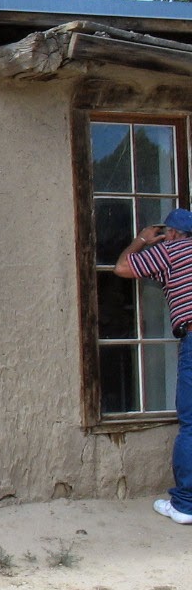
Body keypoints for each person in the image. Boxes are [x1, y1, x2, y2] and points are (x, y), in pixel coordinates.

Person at [114, 207, 192, 525]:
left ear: (171, 233)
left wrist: (141, 240)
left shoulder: (169, 250)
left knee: (191, 424)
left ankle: (186, 505)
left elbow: (122, 267)